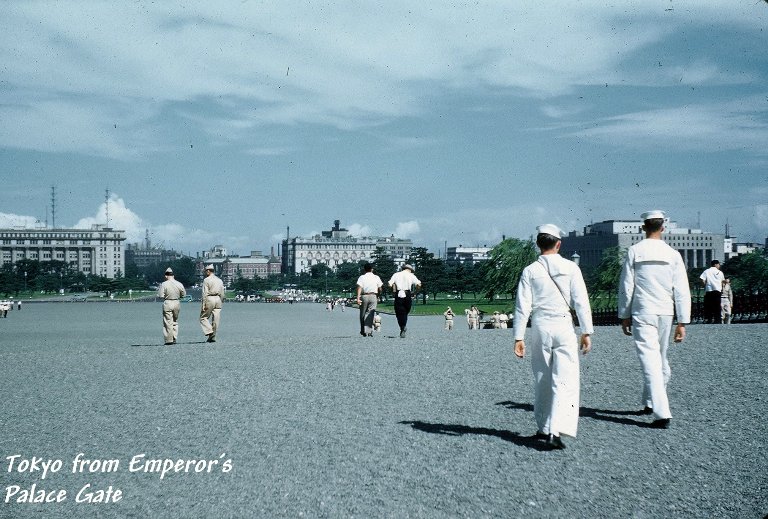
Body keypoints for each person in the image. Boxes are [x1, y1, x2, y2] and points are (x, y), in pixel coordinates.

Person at [513, 224, 593, 450]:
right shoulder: (571, 268)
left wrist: (518, 336)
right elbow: (581, 301)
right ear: (559, 244)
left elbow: (522, 306)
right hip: (563, 323)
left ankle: (545, 426)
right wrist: (586, 331)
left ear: (538, 244)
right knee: (565, 378)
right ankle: (556, 429)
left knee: (542, 376)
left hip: (540, 324)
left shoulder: (530, 270)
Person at [618, 210, 691, 429]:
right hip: (666, 312)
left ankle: (662, 412)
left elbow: (626, 286)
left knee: (650, 361)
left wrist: (624, 315)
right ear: (663, 227)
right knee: (660, 357)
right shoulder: (673, 254)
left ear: (643, 227)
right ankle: (650, 401)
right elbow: (681, 289)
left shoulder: (634, 251)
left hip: (643, 310)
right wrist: (683, 321)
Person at [388, 264, 422, 338]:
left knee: (398, 312)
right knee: (406, 311)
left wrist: (393, 289)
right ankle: (403, 326)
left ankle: (402, 327)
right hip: (407, 293)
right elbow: (419, 284)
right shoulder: (411, 275)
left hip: (399, 293)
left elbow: (389, 284)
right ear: (409, 270)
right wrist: (415, 292)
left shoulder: (396, 275)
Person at [158, 267, 186, 345]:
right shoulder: (179, 283)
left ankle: (168, 339)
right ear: (173, 275)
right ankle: (174, 337)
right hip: (177, 302)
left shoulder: (164, 284)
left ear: (166, 275)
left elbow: (160, 295)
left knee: (168, 321)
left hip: (168, 302)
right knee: (175, 321)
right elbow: (184, 295)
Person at [356, 263, 383, 337]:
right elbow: (380, 288)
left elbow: (359, 287)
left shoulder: (362, 277)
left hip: (364, 295)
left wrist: (358, 298)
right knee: (370, 313)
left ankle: (362, 330)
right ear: (372, 269)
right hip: (373, 295)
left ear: (364, 269)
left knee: (362, 313)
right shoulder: (376, 277)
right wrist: (379, 294)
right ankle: (368, 330)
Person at [200, 264, 225, 343]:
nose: (205, 273)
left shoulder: (206, 280)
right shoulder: (219, 280)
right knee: (216, 319)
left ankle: (209, 330)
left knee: (203, 317)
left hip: (209, 298)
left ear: (208, 271)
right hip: (218, 299)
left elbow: (205, 293)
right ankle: (213, 336)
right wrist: (221, 301)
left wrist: (203, 304)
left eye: (205, 271)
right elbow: (222, 292)